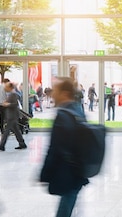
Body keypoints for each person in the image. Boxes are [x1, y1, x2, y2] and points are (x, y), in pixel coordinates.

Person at [40, 77, 89, 217]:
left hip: (67, 171)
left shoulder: (63, 115)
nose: (53, 94)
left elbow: (55, 148)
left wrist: (45, 173)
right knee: (69, 201)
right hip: (78, 170)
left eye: (56, 91)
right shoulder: (78, 110)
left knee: (65, 208)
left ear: (65, 93)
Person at [0, 82, 27, 151]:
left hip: (12, 116)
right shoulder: (11, 94)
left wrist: (7, 104)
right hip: (12, 115)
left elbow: (15, 104)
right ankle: (22, 144)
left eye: (6, 87)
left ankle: (1, 146)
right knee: (16, 131)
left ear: (10, 88)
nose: (5, 88)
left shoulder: (13, 94)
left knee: (6, 132)